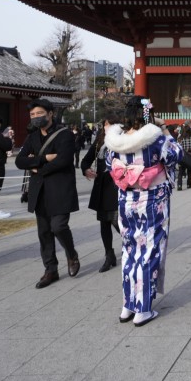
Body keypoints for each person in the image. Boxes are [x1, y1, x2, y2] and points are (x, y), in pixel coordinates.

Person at [105, 98, 182, 326]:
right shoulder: (155, 139)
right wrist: (164, 129)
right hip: (152, 198)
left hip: (126, 199)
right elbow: (176, 154)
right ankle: (143, 309)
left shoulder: (115, 140)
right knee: (148, 251)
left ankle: (128, 305)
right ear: (148, 115)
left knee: (129, 250)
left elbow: (109, 165)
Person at [14, 99, 81, 290]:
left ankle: (71, 254)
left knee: (58, 226)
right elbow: (20, 161)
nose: (36, 117)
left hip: (60, 189)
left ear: (50, 114)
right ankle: (50, 269)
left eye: (39, 113)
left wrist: (37, 167)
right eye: (32, 115)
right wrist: (44, 158)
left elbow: (63, 160)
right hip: (39, 191)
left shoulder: (64, 134)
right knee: (44, 232)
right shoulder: (32, 137)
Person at [81, 114, 120, 273]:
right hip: (102, 185)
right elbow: (86, 160)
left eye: (111, 124)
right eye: (106, 124)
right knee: (104, 222)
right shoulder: (99, 141)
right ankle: (109, 255)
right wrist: (86, 169)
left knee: (117, 221)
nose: (108, 127)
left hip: (117, 186)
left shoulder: (124, 141)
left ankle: (133, 247)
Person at [177, 125, 191, 190]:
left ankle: (179, 185)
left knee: (180, 172)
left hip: (182, 157)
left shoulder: (180, 139)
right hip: (190, 156)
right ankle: (189, 184)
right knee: (189, 171)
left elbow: (178, 148)